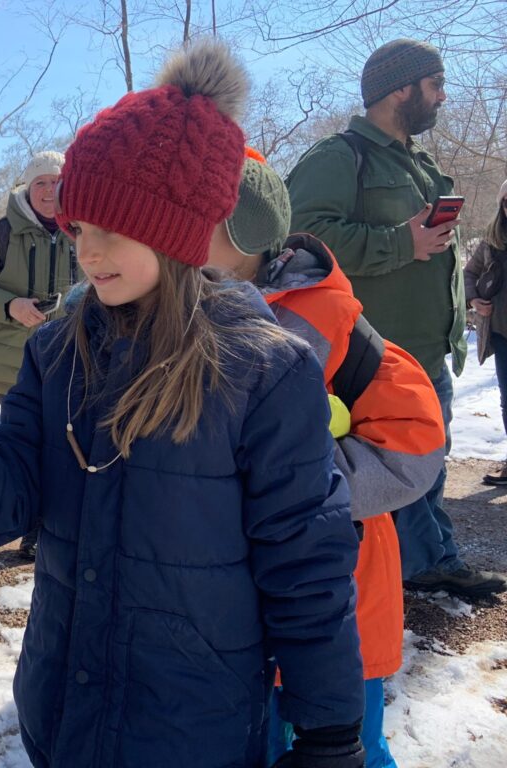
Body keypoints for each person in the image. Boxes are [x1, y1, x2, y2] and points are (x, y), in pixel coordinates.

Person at [0, 41, 365, 767]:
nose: (88, 250)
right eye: (78, 228)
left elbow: (306, 564)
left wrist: (329, 735)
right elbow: (12, 503)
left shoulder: (263, 368)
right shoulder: (57, 350)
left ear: (172, 230)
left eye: (112, 228)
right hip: (65, 705)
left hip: (192, 725)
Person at [209, 153, 446, 768]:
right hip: (236, 607)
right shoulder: (181, 314)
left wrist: (304, 481)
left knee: (351, 750)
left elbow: (417, 441)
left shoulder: (329, 318)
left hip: (340, 598)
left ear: (245, 229)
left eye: (195, 217)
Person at [286, 39, 505, 598]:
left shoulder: (419, 162)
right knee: (395, 467)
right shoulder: (338, 158)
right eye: (435, 85)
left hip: (426, 351)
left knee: (427, 462)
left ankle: (422, 560)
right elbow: (299, 241)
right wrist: (399, 242)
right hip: (374, 356)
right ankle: (417, 567)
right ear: (399, 89)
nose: (442, 97)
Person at [0, 150, 76, 559]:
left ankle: (60, 523)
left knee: (66, 446)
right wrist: (11, 306)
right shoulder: (5, 233)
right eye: (39, 182)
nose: (48, 190)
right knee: (25, 446)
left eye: (55, 181)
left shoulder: (83, 229)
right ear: (28, 188)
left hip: (73, 362)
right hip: (13, 365)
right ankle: (30, 525)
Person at [465, 180, 507, 486]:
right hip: (502, 335)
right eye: (506, 201)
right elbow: (469, 273)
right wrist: (473, 300)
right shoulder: (494, 240)